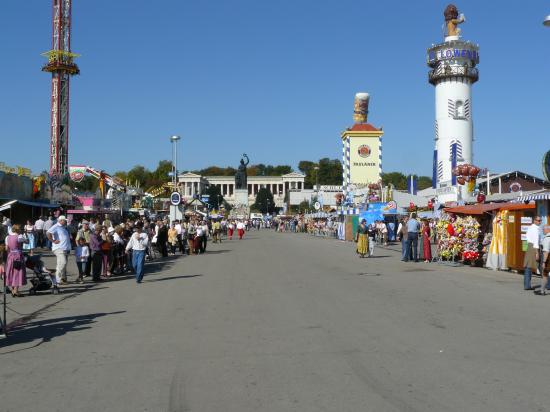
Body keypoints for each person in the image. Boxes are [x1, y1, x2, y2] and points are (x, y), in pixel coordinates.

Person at [47, 215, 71, 285]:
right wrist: (53, 240)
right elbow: (48, 232)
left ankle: (62, 279)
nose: (66, 221)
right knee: (63, 263)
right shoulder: (56, 226)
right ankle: (57, 279)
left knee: (61, 264)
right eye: (65, 220)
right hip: (59, 248)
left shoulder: (63, 227)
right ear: (61, 220)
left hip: (65, 248)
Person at [5, 224, 28, 297]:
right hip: (18, 256)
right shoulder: (19, 236)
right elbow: (27, 242)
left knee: (11, 272)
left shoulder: (7, 237)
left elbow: (6, 248)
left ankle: (13, 290)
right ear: (18, 230)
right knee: (18, 272)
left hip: (10, 255)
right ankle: (16, 290)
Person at [524, 216, 542, 291]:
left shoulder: (530, 227)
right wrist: (537, 253)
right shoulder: (535, 229)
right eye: (538, 220)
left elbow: (527, 238)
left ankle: (527, 285)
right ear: (534, 220)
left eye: (540, 220)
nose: (540, 222)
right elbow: (535, 242)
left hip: (529, 246)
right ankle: (547, 283)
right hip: (533, 247)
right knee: (531, 266)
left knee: (528, 266)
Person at [535, 225, 550, 295]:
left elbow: (546, 251)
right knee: (545, 274)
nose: (543, 231)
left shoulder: (547, 238)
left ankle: (542, 291)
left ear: (547, 230)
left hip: (548, 259)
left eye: (543, 229)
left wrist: (544, 262)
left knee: (544, 274)